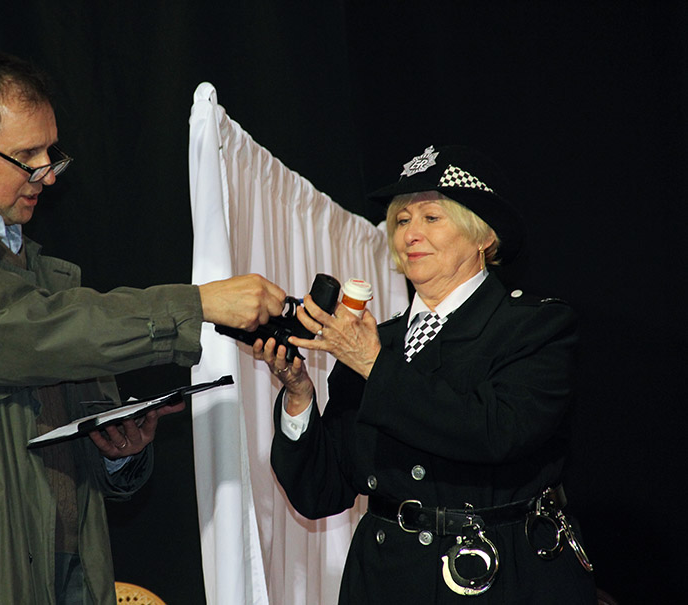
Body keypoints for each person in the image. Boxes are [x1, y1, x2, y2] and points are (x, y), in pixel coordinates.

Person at [0, 51, 286, 605]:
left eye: (51, 152)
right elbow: (25, 335)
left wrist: (117, 451)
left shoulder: (30, 264)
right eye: (27, 155)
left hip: (59, 570)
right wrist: (196, 304)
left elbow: (46, 426)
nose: (47, 173)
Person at [254, 145, 596, 602]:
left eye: (431, 218)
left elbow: (497, 431)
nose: (410, 235)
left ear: (483, 237)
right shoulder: (378, 340)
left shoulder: (534, 326)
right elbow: (321, 493)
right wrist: (299, 395)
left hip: (501, 576)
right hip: (383, 580)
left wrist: (373, 365)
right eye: (401, 221)